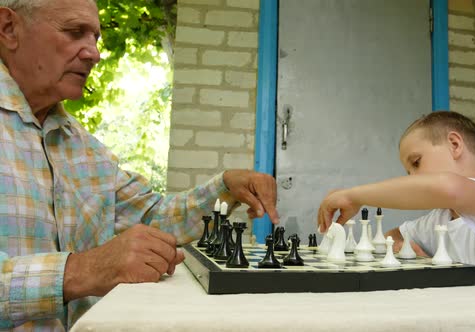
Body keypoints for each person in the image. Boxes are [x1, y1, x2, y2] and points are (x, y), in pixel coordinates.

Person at [0, 0, 279, 329]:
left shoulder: (87, 152)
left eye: (95, 38)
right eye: (75, 32)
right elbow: (92, 268)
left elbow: (156, 218)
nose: (93, 53)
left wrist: (225, 187)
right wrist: (82, 271)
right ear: (8, 28)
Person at [317, 111, 475, 285]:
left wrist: (355, 196)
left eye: (416, 162)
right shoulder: (440, 219)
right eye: (408, 172)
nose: (413, 177)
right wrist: (401, 247)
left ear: (454, 144)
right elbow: (391, 237)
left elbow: (449, 188)